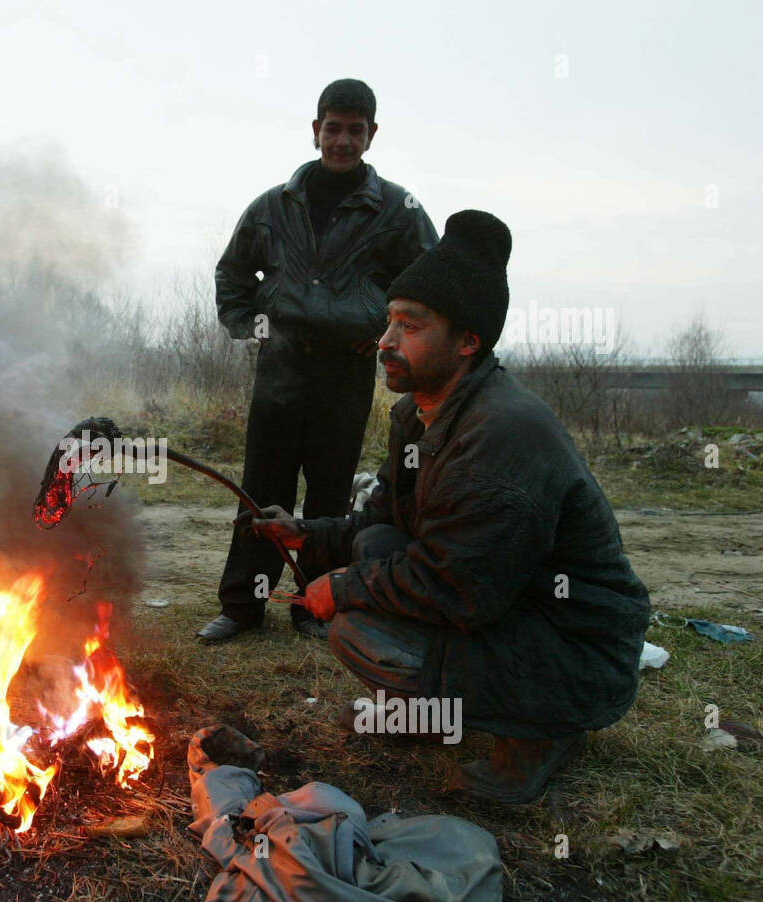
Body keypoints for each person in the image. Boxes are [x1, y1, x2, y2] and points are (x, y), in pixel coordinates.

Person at [247, 209, 650, 803]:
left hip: (575, 648)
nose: (385, 341)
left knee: (359, 627)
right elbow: (381, 520)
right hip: (514, 612)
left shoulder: (503, 432)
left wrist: (345, 587)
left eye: (410, 325)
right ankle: (436, 716)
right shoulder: (419, 412)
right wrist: (306, 535)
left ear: (468, 341)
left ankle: (542, 733)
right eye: (388, 322)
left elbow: (460, 587)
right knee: (373, 545)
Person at [201, 79, 438, 644]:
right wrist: (257, 329)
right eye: (332, 128)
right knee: (260, 488)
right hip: (279, 369)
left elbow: (428, 281)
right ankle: (242, 606)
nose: (342, 140)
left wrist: (388, 332)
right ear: (315, 131)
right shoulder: (273, 206)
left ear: (371, 136)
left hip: (345, 373)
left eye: (355, 130)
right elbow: (232, 275)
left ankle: (313, 606)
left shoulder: (398, 210)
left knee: (330, 493)